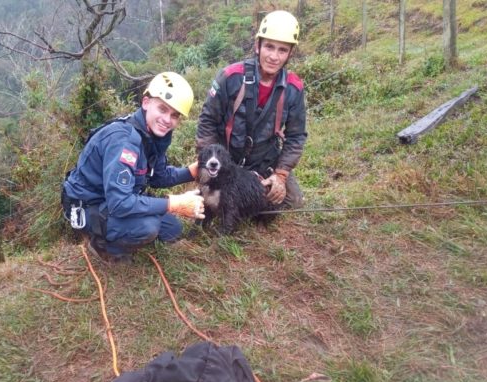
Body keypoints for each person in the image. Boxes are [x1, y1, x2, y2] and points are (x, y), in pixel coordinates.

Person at [62, 72, 205, 263]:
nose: (167, 120)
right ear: (146, 103)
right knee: (148, 227)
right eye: (162, 109)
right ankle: (103, 247)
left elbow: (158, 176)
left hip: (113, 199)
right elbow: (120, 203)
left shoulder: (153, 135)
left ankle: (120, 231)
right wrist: (174, 204)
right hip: (88, 206)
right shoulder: (124, 140)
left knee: (172, 229)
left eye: (174, 115)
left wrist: (191, 172)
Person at [196, 10, 307, 208]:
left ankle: (249, 194)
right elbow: (207, 122)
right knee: (214, 201)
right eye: (269, 47)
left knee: (291, 201)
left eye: (282, 50)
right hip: (226, 160)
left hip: (263, 161)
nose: (274, 56)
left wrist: (280, 175)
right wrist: (209, 164)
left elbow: (296, 136)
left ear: (290, 53)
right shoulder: (231, 76)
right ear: (258, 46)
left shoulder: (293, 88)